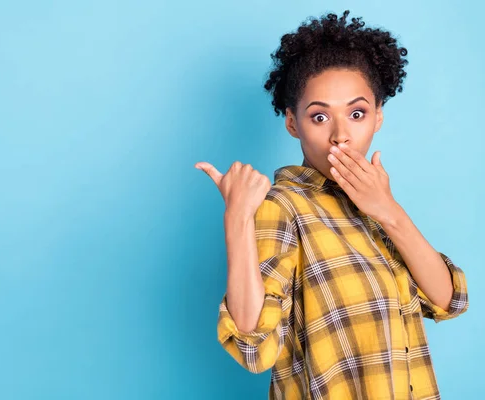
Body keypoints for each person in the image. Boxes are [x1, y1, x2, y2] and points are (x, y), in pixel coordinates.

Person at [194, 10, 469, 400]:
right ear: (292, 123)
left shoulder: (375, 207)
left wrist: (388, 210)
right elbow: (253, 348)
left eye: (356, 114)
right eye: (319, 116)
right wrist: (238, 218)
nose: (341, 136)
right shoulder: (284, 207)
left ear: (377, 118)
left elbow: (449, 300)